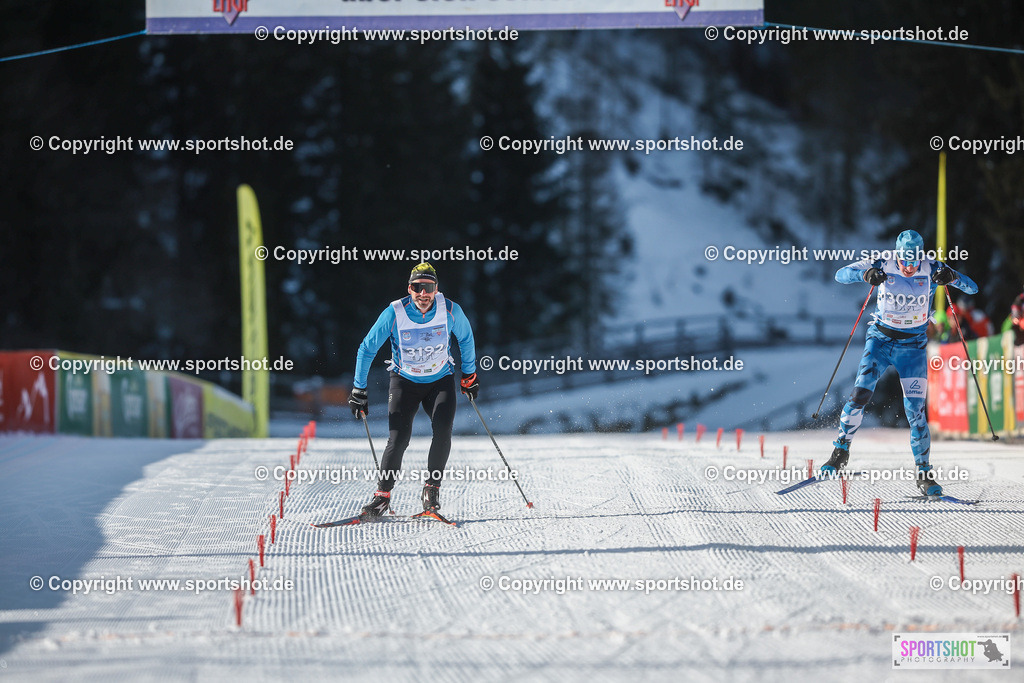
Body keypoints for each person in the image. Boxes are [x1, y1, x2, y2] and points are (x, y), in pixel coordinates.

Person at [821, 230, 978, 497]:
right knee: (859, 396)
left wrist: (952, 276)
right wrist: (865, 274)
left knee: (915, 411)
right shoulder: (883, 261)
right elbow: (841, 274)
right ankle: (840, 452)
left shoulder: (932, 266)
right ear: (897, 255)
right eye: (904, 261)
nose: (908, 267)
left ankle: (924, 473)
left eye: (914, 261)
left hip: (913, 348)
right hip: (880, 342)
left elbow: (972, 288)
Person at [348, 263, 479, 518]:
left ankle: (431, 490)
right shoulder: (394, 313)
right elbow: (367, 348)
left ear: (436, 289)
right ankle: (382, 497)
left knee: (443, 430)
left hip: (439, 381)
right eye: (417, 287)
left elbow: (466, 338)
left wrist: (469, 375)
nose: (423, 293)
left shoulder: (450, 310)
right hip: (404, 382)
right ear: (409, 289)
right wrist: (359, 389)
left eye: (428, 287)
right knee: (398, 438)